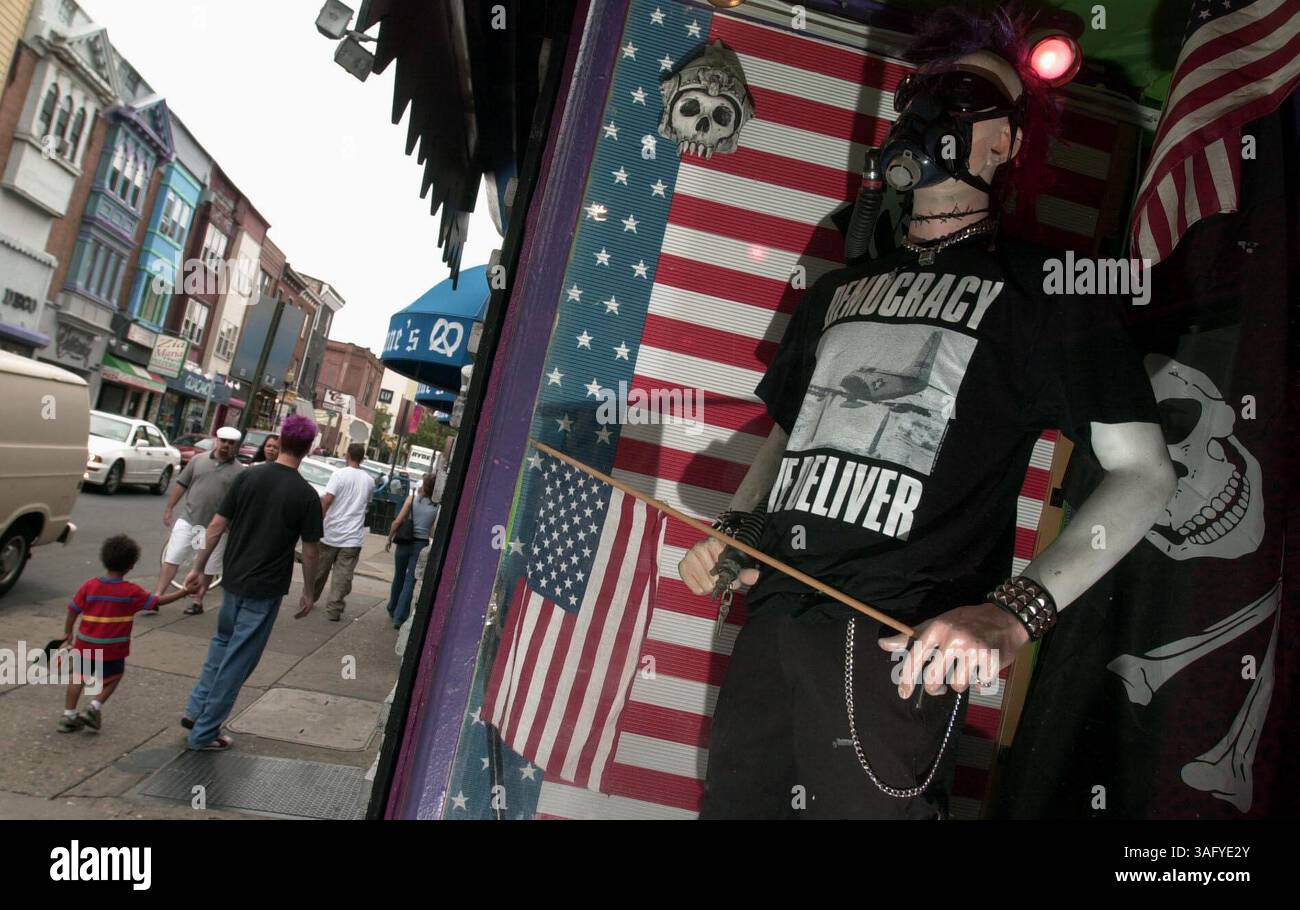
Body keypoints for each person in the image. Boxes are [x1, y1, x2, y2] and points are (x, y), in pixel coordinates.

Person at [677, 7, 1176, 819]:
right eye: (926, 88)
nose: (935, 108)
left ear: (1007, 143)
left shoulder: (1043, 290)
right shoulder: (839, 286)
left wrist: (1016, 615)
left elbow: (1145, 472)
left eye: (968, 94)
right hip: (774, 624)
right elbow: (790, 432)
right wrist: (743, 528)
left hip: (895, 642)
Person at [181, 415, 323, 750]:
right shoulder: (305, 495)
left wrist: (198, 568)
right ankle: (204, 732)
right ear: (309, 448)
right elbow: (312, 549)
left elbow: (216, 525)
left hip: (234, 578)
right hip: (265, 588)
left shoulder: (248, 477)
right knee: (238, 662)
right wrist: (309, 590)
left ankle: (196, 710)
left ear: (282, 441)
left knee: (220, 647)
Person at [57, 535, 191, 732]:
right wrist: (183, 592)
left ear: (104, 559)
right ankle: (94, 707)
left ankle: (68, 715)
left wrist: (68, 632)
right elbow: (156, 602)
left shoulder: (90, 585)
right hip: (112, 648)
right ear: (131, 566)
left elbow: (73, 610)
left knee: (78, 678)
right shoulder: (131, 592)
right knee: (113, 677)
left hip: (85, 644)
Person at [150, 425, 244, 616]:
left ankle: (197, 600)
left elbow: (240, 502)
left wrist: (233, 526)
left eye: (231, 443)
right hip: (190, 519)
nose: (226, 445)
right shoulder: (198, 460)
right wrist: (169, 508)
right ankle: (157, 596)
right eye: (223, 441)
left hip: (217, 529)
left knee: (208, 566)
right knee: (173, 556)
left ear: (236, 446)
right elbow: (181, 484)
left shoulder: (240, 472)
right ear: (216, 440)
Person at [312, 442, 374, 622]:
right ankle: (334, 608)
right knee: (342, 576)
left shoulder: (338, 474)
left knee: (319, 570)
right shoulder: (369, 480)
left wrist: (319, 521)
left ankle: (310, 597)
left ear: (347, 456)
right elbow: (367, 502)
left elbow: (328, 499)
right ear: (362, 458)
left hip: (330, 532)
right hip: (353, 537)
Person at [385, 473, 439, 629]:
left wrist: (389, 538)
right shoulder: (437, 507)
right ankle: (399, 618)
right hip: (421, 545)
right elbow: (433, 532)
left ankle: (392, 607)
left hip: (404, 542)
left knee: (399, 576)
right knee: (410, 581)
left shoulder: (412, 500)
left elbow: (397, 521)